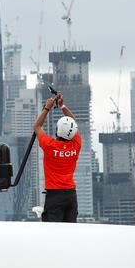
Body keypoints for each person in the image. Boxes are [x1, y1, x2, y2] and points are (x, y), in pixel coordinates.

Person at [33, 93, 81, 222]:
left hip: (55, 195)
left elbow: (37, 126)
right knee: (70, 232)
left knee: (52, 232)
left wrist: (47, 107)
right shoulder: (76, 144)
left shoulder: (50, 145)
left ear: (57, 130)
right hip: (71, 195)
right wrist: (62, 106)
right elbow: (73, 122)